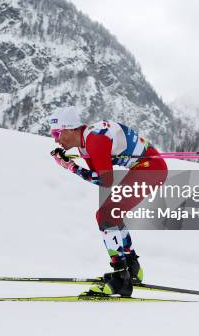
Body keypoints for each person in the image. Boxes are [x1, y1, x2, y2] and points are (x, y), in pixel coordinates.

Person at [49, 107, 168, 297]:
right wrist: (74, 164)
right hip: (144, 167)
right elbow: (100, 177)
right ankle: (131, 268)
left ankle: (121, 277)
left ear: (71, 129)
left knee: (105, 215)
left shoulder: (94, 140)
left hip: (150, 168)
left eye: (57, 133)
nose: (55, 139)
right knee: (110, 214)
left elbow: (106, 180)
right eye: (52, 134)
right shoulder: (84, 145)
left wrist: (71, 167)